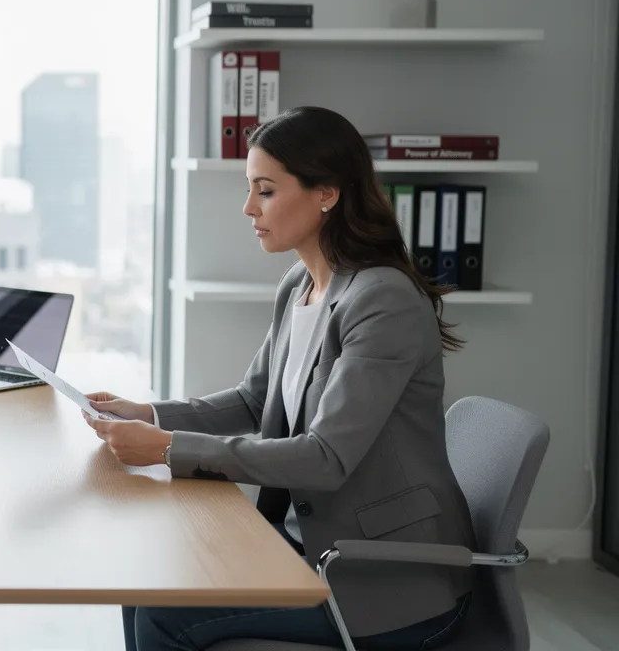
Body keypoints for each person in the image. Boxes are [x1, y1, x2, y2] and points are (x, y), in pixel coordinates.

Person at [84, 106, 475, 651]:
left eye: (265, 191)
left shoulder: (382, 301)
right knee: (147, 574)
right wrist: (148, 415)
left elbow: (325, 458)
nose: (249, 209)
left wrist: (168, 447)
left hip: (386, 582)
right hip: (304, 547)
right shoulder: (302, 285)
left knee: (165, 613)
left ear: (327, 194)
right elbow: (253, 401)